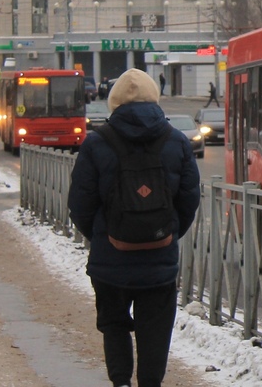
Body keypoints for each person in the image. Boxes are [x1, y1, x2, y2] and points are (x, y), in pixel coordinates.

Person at [68, 68, 201, 387]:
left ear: (113, 103)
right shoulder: (177, 142)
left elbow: (80, 205)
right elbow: (188, 201)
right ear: (155, 98)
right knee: (155, 331)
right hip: (159, 263)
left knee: (114, 326)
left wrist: (103, 236)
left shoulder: (96, 143)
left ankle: (121, 383)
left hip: (110, 263)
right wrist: (165, 234)